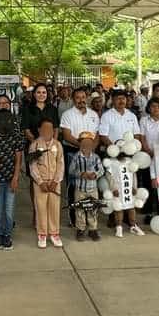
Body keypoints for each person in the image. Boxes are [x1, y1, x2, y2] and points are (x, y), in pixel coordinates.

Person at [0, 97, 23, 250]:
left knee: (9, 209)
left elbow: (18, 153)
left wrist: (16, 177)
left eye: (5, 103)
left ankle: (7, 235)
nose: (3, 105)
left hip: (10, 177)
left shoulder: (15, 124)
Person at [61, 88, 100, 225]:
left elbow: (97, 135)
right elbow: (66, 135)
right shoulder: (67, 114)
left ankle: (91, 219)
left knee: (92, 184)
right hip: (73, 152)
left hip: (92, 153)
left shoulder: (94, 115)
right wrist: (83, 146)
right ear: (73, 99)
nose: (81, 100)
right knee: (74, 184)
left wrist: (91, 148)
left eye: (83, 97)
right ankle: (75, 219)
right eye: (77, 97)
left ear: (87, 98)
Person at [29, 118, 64, 248]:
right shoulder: (35, 145)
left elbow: (60, 164)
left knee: (54, 208)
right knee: (41, 208)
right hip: (41, 184)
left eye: (50, 128)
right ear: (39, 130)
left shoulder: (57, 145)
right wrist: (40, 181)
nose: (47, 131)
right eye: (44, 128)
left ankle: (54, 233)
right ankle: (42, 234)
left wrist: (56, 180)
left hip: (54, 182)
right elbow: (32, 165)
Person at [68, 131, 103, 241]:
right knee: (80, 209)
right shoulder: (76, 157)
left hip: (93, 188)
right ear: (80, 144)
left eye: (89, 143)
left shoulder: (96, 157)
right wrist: (80, 174)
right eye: (84, 143)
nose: (86, 145)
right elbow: (71, 170)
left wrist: (95, 174)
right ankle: (81, 229)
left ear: (92, 144)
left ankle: (93, 229)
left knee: (92, 209)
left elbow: (101, 170)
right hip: (80, 189)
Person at [139, 97, 159, 220]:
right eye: (153, 106)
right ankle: (148, 209)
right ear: (148, 108)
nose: (156, 108)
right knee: (148, 183)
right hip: (147, 155)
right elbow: (142, 137)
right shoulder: (144, 120)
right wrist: (148, 151)